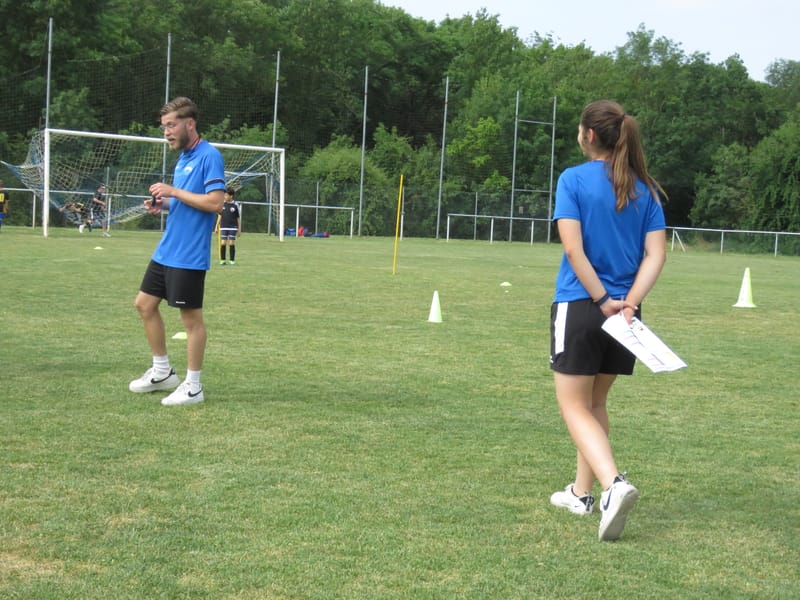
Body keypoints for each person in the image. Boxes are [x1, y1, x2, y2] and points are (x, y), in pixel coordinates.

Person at [548, 100, 667, 541]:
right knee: (595, 404)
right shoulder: (646, 189)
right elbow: (656, 255)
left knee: (574, 406)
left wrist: (601, 299)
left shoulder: (572, 179)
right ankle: (581, 494)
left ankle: (613, 485)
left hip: (582, 305)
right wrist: (629, 303)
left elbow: (574, 250)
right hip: (625, 317)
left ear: (589, 135)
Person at [129, 97, 226, 406]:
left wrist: (172, 191)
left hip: (189, 254)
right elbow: (187, 200)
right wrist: (164, 204)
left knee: (191, 320)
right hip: (167, 250)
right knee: (144, 305)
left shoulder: (210, 156)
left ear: (190, 124)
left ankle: (193, 386)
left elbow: (214, 202)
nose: (167, 132)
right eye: (164, 127)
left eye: (171, 125)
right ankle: (162, 372)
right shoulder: (183, 158)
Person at [218, 187, 241, 265]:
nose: (225, 196)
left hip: (233, 227)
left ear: (231, 196)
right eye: (224, 195)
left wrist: (239, 229)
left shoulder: (235, 205)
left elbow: (238, 218)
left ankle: (232, 260)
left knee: (231, 243)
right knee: (223, 243)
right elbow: (220, 216)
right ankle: (222, 260)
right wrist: (216, 226)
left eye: (226, 195)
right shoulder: (222, 204)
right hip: (224, 226)